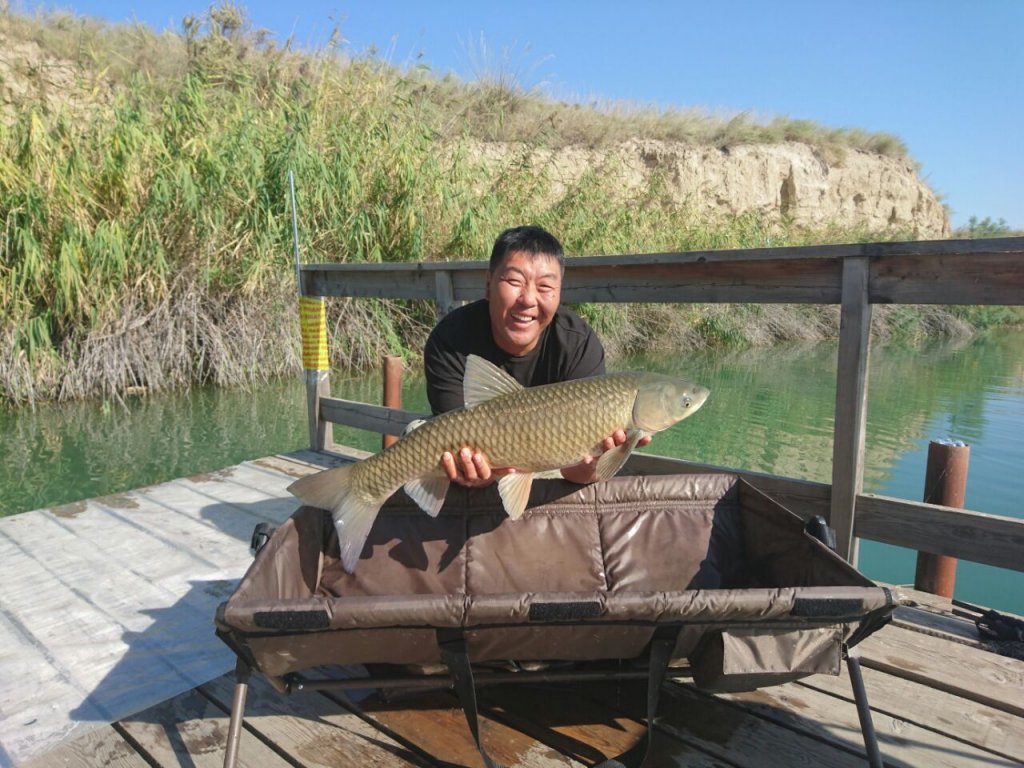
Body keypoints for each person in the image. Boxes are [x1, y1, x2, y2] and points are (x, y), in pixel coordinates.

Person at [423, 224, 649, 488]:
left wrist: (597, 461)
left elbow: (576, 474)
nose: (528, 299)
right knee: (419, 436)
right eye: (514, 282)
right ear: (488, 284)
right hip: (476, 465)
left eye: (544, 286)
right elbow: (452, 441)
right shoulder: (450, 340)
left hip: (550, 467)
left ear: (559, 292)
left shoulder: (578, 344)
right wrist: (471, 475)